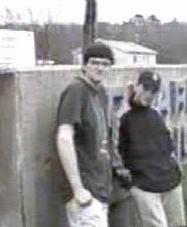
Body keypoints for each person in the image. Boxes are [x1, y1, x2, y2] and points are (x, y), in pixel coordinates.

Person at [56, 42, 131, 227]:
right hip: (85, 193)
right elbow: (64, 137)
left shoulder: (101, 93)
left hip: (100, 190)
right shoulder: (76, 90)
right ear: (84, 65)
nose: (100, 68)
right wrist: (78, 189)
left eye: (105, 64)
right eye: (95, 62)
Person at [118, 71, 187, 227]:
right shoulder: (124, 118)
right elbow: (117, 152)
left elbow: (168, 147)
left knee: (178, 223)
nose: (149, 94)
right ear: (137, 86)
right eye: (146, 88)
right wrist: (129, 181)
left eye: (153, 91)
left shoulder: (155, 115)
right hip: (144, 185)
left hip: (170, 180)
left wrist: (175, 166)